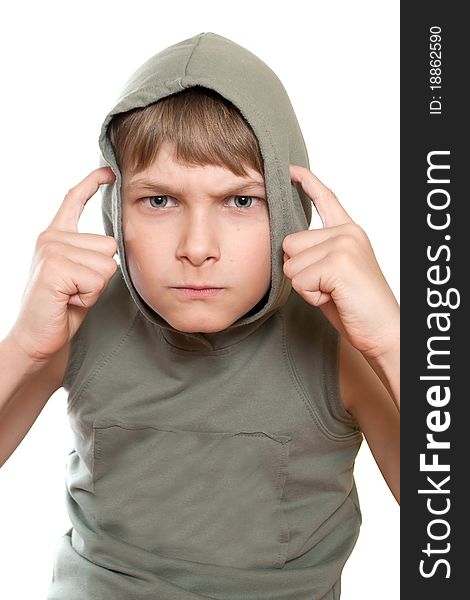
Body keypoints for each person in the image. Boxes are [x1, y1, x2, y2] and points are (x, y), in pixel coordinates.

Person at [0, 32, 399, 599]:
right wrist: (24, 346)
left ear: (290, 208)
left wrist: (391, 338)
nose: (197, 247)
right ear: (116, 210)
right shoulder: (81, 315)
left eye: (240, 200)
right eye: (159, 200)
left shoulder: (337, 336)